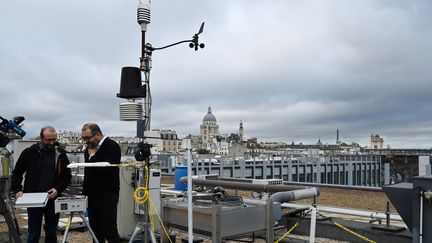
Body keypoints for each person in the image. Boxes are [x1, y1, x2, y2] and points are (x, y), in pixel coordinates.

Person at [11, 126, 72, 243]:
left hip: (53, 198)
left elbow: (66, 176)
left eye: (54, 139)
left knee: (51, 232)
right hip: (33, 198)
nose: (52, 142)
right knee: (33, 233)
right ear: (41, 138)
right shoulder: (29, 152)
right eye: (48, 140)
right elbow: (17, 172)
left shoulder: (61, 154)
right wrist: (18, 189)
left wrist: (58, 189)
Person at [81, 123, 121, 243]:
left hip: (107, 194)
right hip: (92, 195)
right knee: (95, 231)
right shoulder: (88, 148)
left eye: (88, 138)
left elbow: (108, 172)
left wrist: (93, 156)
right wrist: (85, 193)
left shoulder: (112, 146)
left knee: (109, 230)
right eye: (84, 138)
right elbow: (89, 173)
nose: (86, 141)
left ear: (97, 134)